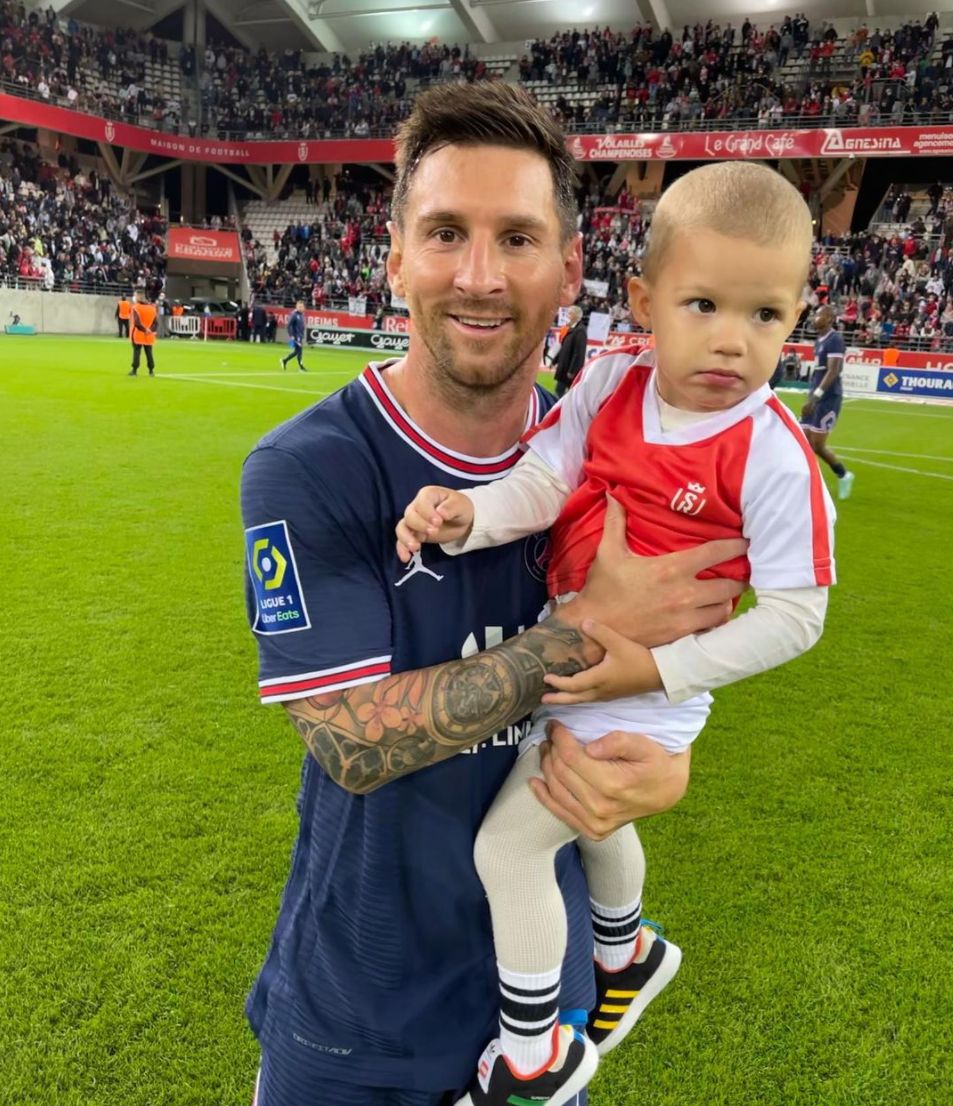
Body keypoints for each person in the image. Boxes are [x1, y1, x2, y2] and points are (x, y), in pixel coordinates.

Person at [241, 83, 745, 1106]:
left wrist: (655, 771)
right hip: (354, 1021)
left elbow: (655, 687)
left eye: (516, 238)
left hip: (537, 1013)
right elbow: (350, 738)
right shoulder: (310, 467)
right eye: (443, 233)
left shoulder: (620, 461)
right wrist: (579, 637)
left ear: (568, 269)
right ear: (393, 257)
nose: (477, 276)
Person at [396, 161, 836, 1105]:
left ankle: (530, 1058)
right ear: (642, 300)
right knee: (594, 824)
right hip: (584, 651)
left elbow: (799, 618)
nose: (732, 341)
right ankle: (626, 950)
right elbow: (546, 480)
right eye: (705, 304)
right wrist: (471, 514)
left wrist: (657, 668)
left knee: (509, 850)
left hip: (643, 687)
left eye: (765, 316)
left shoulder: (770, 449)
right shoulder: (612, 384)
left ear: (797, 318)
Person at [800, 304, 855, 499]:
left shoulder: (835, 340)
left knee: (817, 445)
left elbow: (834, 370)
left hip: (828, 398)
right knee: (802, 441)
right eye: (815, 314)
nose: (815, 318)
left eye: (819, 315)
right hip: (815, 395)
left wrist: (817, 396)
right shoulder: (819, 341)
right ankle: (808, 482)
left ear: (830, 318)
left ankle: (844, 475)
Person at [553, 305, 588, 397]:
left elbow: (579, 353)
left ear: (576, 315)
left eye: (570, 313)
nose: (568, 315)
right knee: (560, 392)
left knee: (563, 393)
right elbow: (564, 347)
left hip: (569, 369)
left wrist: (572, 370)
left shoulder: (580, 331)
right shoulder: (571, 329)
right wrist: (555, 361)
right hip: (565, 367)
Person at [128, 288, 157, 376]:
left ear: (137, 296)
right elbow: (155, 323)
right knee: (149, 352)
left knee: (137, 352)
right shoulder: (152, 308)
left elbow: (137, 322)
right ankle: (151, 370)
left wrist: (144, 329)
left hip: (138, 334)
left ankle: (134, 370)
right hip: (149, 335)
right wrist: (150, 330)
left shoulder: (136, 307)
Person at [280, 299, 308, 371]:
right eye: (299, 306)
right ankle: (299, 366)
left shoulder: (301, 315)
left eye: (301, 307)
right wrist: (291, 335)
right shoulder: (294, 314)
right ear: (296, 306)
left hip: (300, 335)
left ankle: (286, 361)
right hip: (296, 336)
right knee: (298, 351)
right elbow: (289, 325)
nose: (300, 308)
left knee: (298, 351)